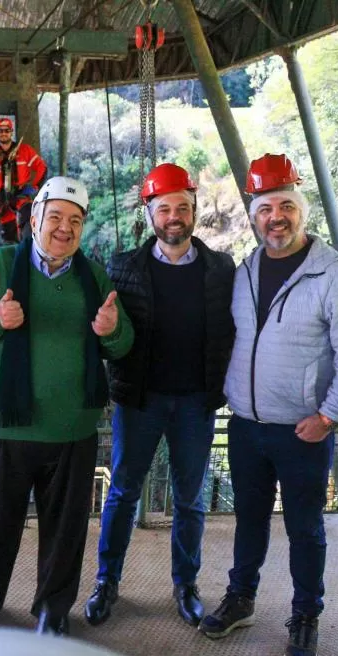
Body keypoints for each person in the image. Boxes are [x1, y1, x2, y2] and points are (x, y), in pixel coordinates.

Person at [197, 154, 338, 656]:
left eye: (285, 206)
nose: (275, 218)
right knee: (249, 520)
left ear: (301, 210)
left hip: (303, 431)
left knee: (305, 529)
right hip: (246, 425)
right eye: (265, 209)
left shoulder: (333, 274)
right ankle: (241, 598)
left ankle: (305, 616)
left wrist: (329, 415)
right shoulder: (246, 271)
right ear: (254, 217)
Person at [0, 177, 135, 636]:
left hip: (70, 428)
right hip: (3, 425)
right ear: (35, 220)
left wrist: (111, 329)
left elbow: (123, 342)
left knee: (65, 526)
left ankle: (53, 606)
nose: (64, 228)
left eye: (75, 221)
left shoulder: (93, 277)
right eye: (55, 217)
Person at [84, 163, 235, 628]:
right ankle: (106, 581)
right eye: (164, 208)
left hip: (195, 401)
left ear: (194, 211)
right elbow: (106, 330)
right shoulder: (123, 267)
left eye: (182, 208)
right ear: (150, 214)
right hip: (140, 400)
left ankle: (186, 585)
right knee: (123, 492)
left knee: (189, 498)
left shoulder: (220, 268)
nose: (174, 217)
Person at [0, 117, 47, 243]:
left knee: (28, 231)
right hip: (4, 201)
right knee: (9, 238)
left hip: (21, 197)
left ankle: (29, 251)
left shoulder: (25, 150)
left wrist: (35, 187)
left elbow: (42, 168)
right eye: (0, 130)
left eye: (6, 130)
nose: (3, 133)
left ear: (11, 132)